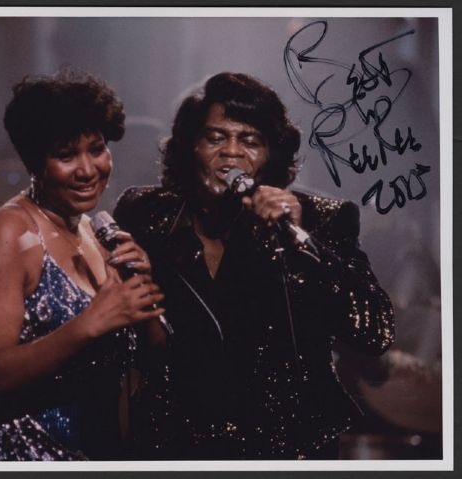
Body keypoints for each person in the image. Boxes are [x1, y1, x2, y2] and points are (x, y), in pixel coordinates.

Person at [114, 72, 395, 460]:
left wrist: (303, 244)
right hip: (175, 443)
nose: (231, 153)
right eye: (215, 138)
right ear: (191, 146)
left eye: (250, 141)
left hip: (284, 447)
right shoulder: (145, 214)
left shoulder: (319, 220)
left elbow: (374, 331)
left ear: (271, 156)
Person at [0, 72, 165, 460]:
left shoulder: (97, 233)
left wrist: (142, 291)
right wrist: (89, 324)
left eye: (96, 149)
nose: (87, 170)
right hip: (18, 451)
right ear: (34, 161)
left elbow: (157, 358)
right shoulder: (6, 232)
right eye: (66, 156)